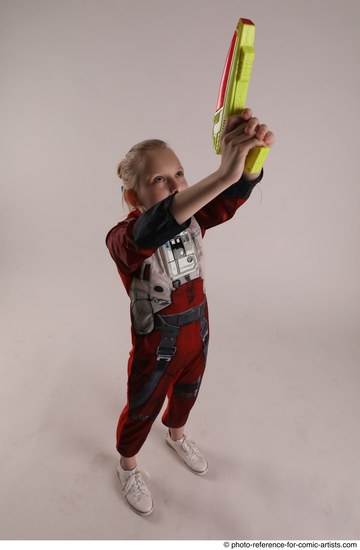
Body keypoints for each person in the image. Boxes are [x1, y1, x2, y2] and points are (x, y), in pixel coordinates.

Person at [106, 108, 275, 515]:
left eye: (179, 173)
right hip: (156, 341)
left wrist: (248, 164)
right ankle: (127, 464)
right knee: (143, 403)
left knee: (188, 390)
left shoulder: (193, 218)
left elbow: (228, 200)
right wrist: (220, 175)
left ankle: (176, 434)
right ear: (134, 197)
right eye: (158, 179)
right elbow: (154, 227)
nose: (174, 184)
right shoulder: (123, 238)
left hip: (197, 329)